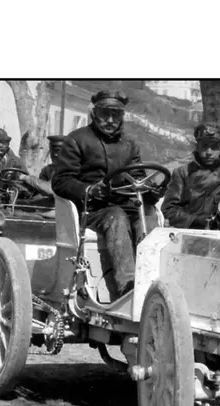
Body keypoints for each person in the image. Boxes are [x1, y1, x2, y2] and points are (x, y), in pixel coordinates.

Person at [52, 90, 160, 299]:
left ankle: (152, 283)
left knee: (148, 218)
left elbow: (137, 177)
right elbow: (60, 181)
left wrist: (151, 191)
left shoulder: (129, 144)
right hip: (91, 211)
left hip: (124, 205)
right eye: (105, 114)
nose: (110, 120)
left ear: (122, 117)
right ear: (94, 114)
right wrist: (89, 190)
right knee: (116, 216)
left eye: (116, 115)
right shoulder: (76, 140)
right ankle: (127, 288)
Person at [162, 122, 220, 231]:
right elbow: (169, 210)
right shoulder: (182, 173)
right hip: (188, 234)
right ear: (197, 147)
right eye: (204, 146)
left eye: (214, 147)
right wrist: (195, 220)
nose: (209, 152)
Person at [0, 128, 51, 220]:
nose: (0, 146)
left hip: (15, 197)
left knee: (34, 209)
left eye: (3, 143)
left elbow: (25, 176)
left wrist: (24, 181)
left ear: (8, 145)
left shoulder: (16, 161)